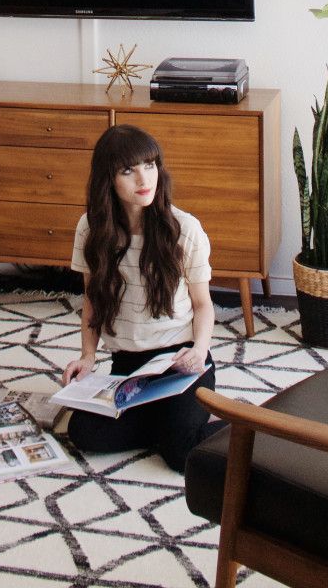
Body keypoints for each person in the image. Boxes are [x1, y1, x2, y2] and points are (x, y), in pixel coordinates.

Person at [62, 124, 218, 472]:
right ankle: (166, 424)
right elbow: (92, 300)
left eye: (150, 165)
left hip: (180, 362)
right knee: (84, 433)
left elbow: (203, 304)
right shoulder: (91, 228)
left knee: (182, 456)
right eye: (128, 170)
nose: (144, 178)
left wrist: (199, 350)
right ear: (108, 179)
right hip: (128, 367)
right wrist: (87, 357)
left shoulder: (184, 229)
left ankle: (247, 426)